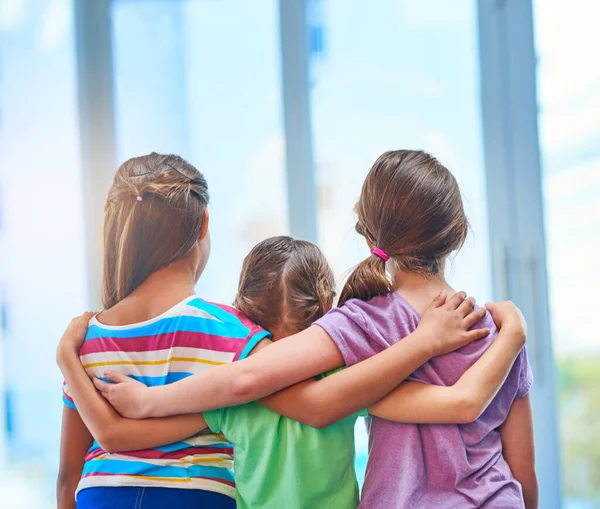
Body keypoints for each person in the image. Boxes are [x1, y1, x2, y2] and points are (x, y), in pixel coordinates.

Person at [63, 150, 536, 508]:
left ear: (370, 235)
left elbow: (253, 380)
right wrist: (512, 335)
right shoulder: (494, 331)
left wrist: (145, 399)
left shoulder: (364, 324)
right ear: (455, 233)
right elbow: (524, 473)